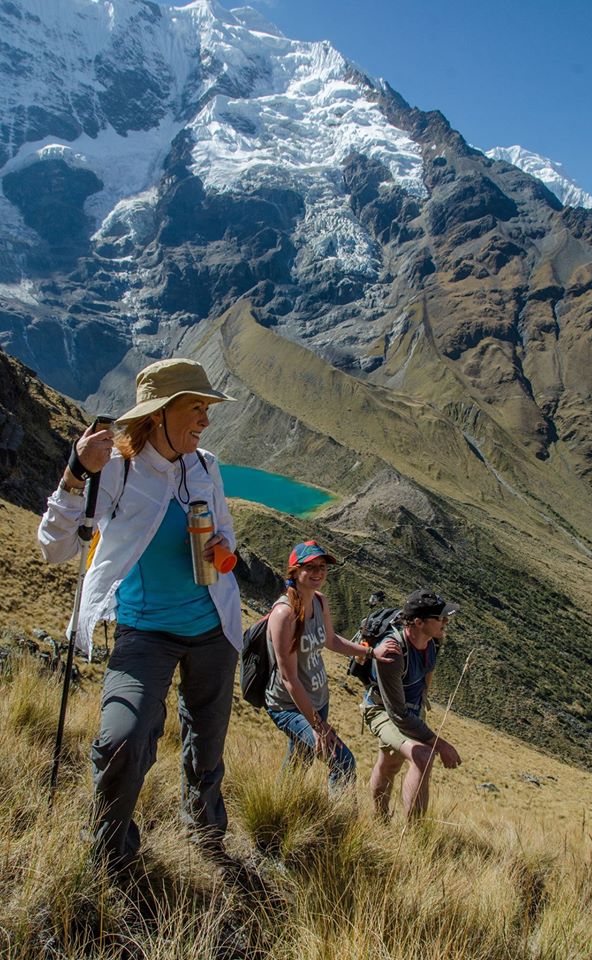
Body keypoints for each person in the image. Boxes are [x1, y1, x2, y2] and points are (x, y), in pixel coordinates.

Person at [38, 357, 242, 870]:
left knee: (207, 748)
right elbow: (53, 547)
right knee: (123, 739)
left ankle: (206, 838)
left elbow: (227, 536)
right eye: (196, 407)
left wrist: (221, 546)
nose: (205, 419)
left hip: (214, 628)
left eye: (206, 407)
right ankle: (111, 856)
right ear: (160, 413)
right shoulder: (118, 470)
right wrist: (75, 472)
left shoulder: (206, 467)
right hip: (145, 632)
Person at [264, 540, 401, 793]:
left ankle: (278, 808)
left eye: (323, 567)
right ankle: (337, 826)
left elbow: (330, 640)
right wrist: (319, 726)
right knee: (343, 762)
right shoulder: (284, 614)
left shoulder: (319, 601)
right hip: (289, 706)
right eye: (310, 567)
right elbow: (288, 677)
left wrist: (371, 652)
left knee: (299, 761)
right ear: (294, 571)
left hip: (317, 699)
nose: (318, 572)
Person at [362, 589, 462, 820]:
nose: (446, 622)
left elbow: (428, 670)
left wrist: (422, 697)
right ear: (418, 622)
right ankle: (413, 834)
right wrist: (441, 745)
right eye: (440, 618)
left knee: (390, 764)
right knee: (423, 756)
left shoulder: (433, 641)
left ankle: (379, 820)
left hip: (410, 710)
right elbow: (397, 714)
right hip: (383, 710)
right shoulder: (393, 653)